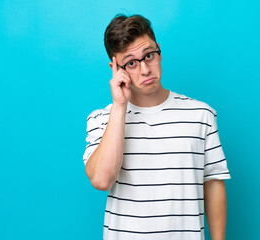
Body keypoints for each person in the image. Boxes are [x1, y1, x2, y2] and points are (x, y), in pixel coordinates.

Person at [83, 13, 231, 240]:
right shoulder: (102, 119)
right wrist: (120, 106)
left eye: (149, 56)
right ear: (115, 68)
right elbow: (102, 180)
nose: (145, 70)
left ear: (159, 51)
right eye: (131, 63)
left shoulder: (201, 114)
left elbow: (213, 181)